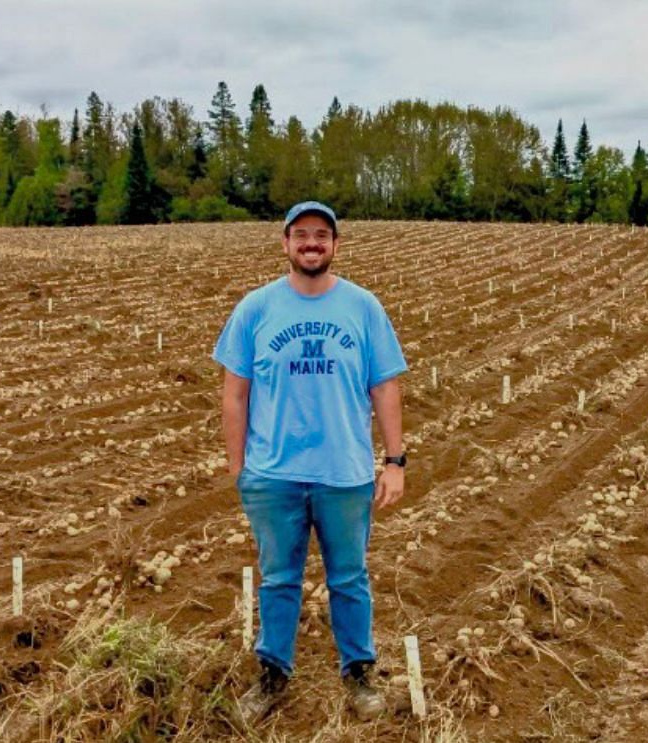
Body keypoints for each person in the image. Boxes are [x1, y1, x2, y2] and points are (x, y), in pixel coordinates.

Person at [212, 200, 408, 727]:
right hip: (273, 474)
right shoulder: (255, 308)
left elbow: (385, 385)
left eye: (322, 235)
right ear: (286, 244)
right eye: (302, 235)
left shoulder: (364, 307)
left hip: (344, 473)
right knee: (278, 580)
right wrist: (240, 469)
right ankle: (272, 675)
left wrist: (395, 461)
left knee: (349, 577)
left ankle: (359, 674)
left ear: (336, 245)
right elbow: (235, 394)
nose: (312, 243)